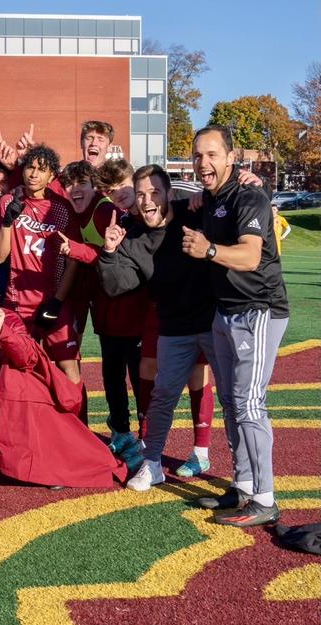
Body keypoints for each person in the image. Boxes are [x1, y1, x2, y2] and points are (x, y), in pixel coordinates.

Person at [0, 267, 125, 489]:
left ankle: (47, 463)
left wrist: (2, 332)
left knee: (13, 382)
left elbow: (26, 360)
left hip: (24, 401)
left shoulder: (9, 319)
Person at [181, 125, 289, 527]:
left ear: (231, 158)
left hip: (257, 309)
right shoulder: (208, 198)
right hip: (224, 311)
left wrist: (207, 249)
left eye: (211, 155)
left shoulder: (249, 195)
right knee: (231, 402)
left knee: (248, 404)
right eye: (197, 155)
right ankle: (243, 486)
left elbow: (248, 255)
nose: (203, 163)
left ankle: (265, 498)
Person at [92, 164, 217, 492]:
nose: (146, 200)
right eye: (141, 193)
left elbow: (227, 206)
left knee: (228, 393)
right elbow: (117, 284)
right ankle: (152, 458)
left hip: (210, 315)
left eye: (154, 193)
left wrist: (241, 182)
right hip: (168, 318)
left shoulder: (190, 211)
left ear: (170, 194)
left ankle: (205, 452)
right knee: (155, 383)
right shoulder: (130, 234)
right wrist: (108, 252)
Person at [57, 159, 150, 467]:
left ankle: (147, 440)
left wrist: (76, 250)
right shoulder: (78, 211)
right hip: (106, 311)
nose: (74, 190)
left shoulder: (106, 211)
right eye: (69, 185)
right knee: (112, 377)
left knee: (139, 379)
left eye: (81, 183)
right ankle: (122, 433)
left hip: (131, 309)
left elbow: (114, 256)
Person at [0, 145, 83, 387]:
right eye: (30, 167)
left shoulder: (62, 209)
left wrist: (57, 301)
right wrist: (8, 221)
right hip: (17, 301)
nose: (34, 173)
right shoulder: (9, 202)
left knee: (69, 369)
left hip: (53, 299)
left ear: (51, 176)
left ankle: (77, 425)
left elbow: (73, 259)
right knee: (14, 370)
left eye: (42, 170)